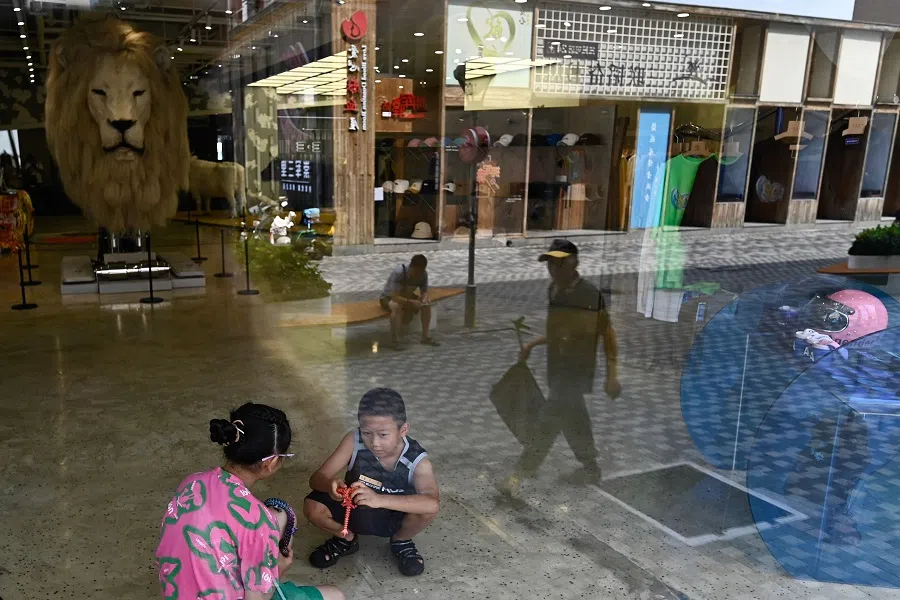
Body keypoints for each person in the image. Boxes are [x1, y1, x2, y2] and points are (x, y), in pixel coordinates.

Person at [155, 403, 344, 600]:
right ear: (270, 463)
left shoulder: (191, 482)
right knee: (336, 595)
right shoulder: (258, 521)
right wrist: (278, 571)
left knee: (277, 517)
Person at [513, 239, 621, 487]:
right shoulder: (554, 290)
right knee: (575, 418)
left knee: (548, 421)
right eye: (550, 263)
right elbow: (559, 331)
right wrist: (533, 344)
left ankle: (522, 470)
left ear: (574, 264)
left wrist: (612, 375)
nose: (553, 269)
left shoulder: (589, 294)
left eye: (559, 263)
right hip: (557, 367)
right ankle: (591, 467)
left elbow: (608, 334)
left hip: (577, 370)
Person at [304, 388, 440, 577]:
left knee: (426, 510)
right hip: (353, 511)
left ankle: (401, 540)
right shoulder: (354, 440)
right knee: (312, 505)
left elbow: (432, 502)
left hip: (393, 517)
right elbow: (316, 479)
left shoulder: (417, 459)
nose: (374, 442)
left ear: (403, 429)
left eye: (383, 435)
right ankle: (346, 539)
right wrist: (330, 485)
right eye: (367, 432)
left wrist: (378, 499)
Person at [380, 254, 439, 349]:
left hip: (407, 297)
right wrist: (410, 302)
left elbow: (424, 292)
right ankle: (394, 340)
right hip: (388, 297)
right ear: (411, 267)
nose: (417, 275)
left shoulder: (423, 274)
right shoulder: (399, 273)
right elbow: (395, 297)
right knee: (396, 306)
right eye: (416, 272)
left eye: (420, 272)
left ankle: (425, 337)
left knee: (427, 303)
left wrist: (424, 298)